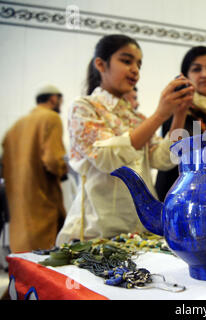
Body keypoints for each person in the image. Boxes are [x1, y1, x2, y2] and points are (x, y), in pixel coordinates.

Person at [56, 34, 194, 245]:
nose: (135, 69)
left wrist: (179, 114)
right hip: (96, 232)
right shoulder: (84, 107)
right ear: (101, 64)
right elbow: (107, 159)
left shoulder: (137, 117)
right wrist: (160, 115)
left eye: (139, 64)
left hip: (138, 232)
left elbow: (164, 159)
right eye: (126, 61)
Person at [155, 46, 206, 201]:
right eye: (197, 69)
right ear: (186, 75)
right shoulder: (177, 108)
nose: (205, 74)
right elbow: (182, 150)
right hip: (181, 197)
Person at [2, 84, 67, 252]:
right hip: (42, 203)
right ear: (53, 99)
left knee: (23, 262)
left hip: (17, 207)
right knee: (42, 264)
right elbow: (53, 160)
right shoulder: (50, 118)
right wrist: (65, 168)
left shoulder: (16, 126)